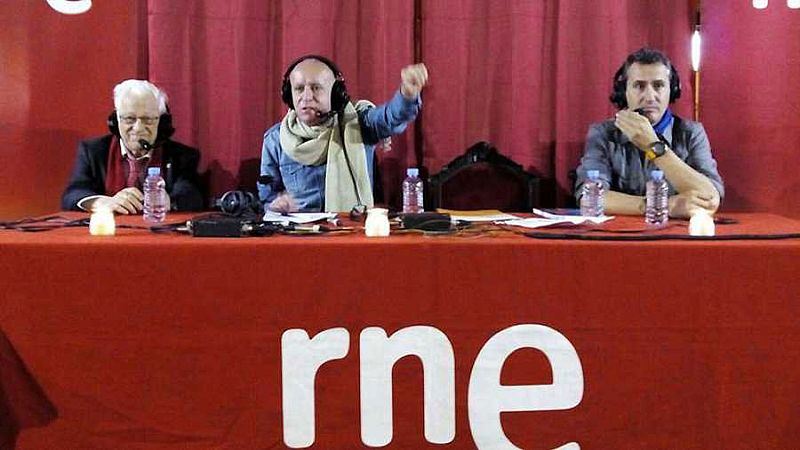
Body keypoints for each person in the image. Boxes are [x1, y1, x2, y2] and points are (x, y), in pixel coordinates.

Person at [258, 55, 428, 213]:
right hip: (299, 235)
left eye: (316, 88)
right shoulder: (275, 139)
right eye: (299, 89)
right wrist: (275, 204)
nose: (306, 96)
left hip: (351, 230)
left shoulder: (358, 123)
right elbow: (266, 196)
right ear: (289, 95)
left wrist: (406, 95)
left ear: (336, 95)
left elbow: (390, 117)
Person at [574, 48, 724, 218]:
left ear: (672, 90)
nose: (650, 97)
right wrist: (663, 205)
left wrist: (653, 145)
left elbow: (711, 198)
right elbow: (588, 197)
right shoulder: (602, 133)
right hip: (621, 236)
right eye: (639, 86)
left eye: (658, 85)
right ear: (624, 91)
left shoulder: (691, 133)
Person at [61, 79, 204, 213]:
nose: (138, 128)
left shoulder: (183, 156)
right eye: (129, 119)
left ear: (162, 122)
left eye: (147, 119)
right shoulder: (93, 151)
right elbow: (72, 194)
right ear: (115, 121)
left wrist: (168, 201)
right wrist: (103, 202)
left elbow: (192, 195)